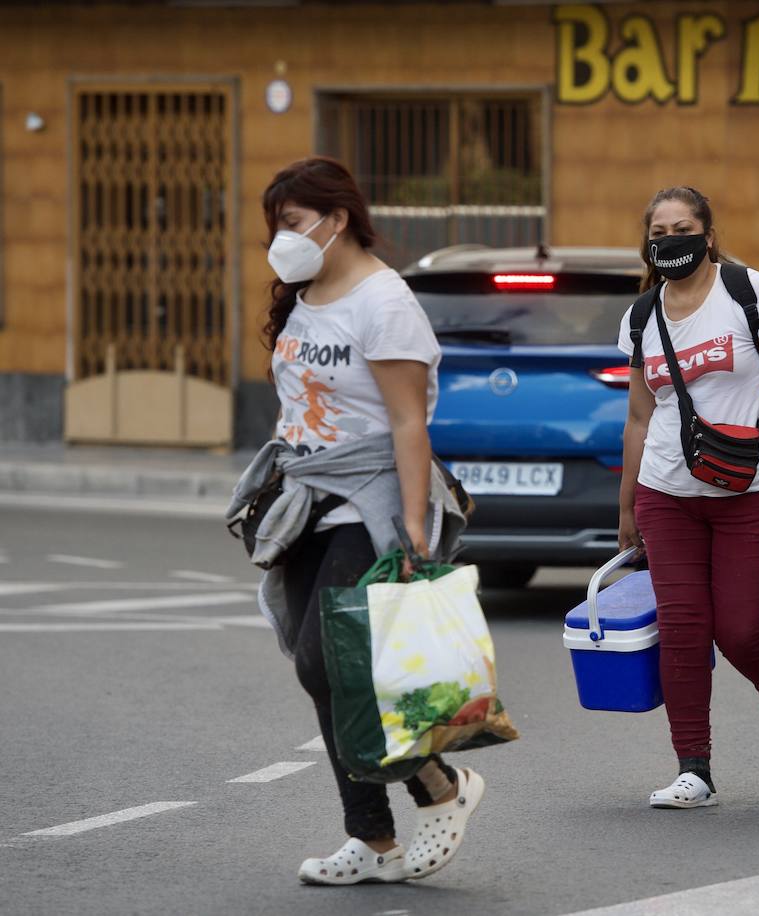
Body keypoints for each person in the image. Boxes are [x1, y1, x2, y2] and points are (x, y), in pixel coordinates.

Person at [240, 157, 478, 884]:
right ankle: (374, 841)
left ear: (336, 219)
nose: (280, 239)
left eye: (291, 222)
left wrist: (414, 527)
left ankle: (441, 785)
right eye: (275, 226)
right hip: (305, 499)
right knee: (321, 674)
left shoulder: (385, 301)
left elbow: (408, 422)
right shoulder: (305, 294)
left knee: (329, 661)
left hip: (368, 501)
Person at [617, 186, 759, 809]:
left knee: (742, 630)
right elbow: (639, 417)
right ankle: (694, 769)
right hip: (666, 493)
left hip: (750, 488)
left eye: (683, 228)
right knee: (682, 630)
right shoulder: (640, 317)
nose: (671, 240)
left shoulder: (747, 291)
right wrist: (628, 505)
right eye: (660, 232)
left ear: (708, 237)